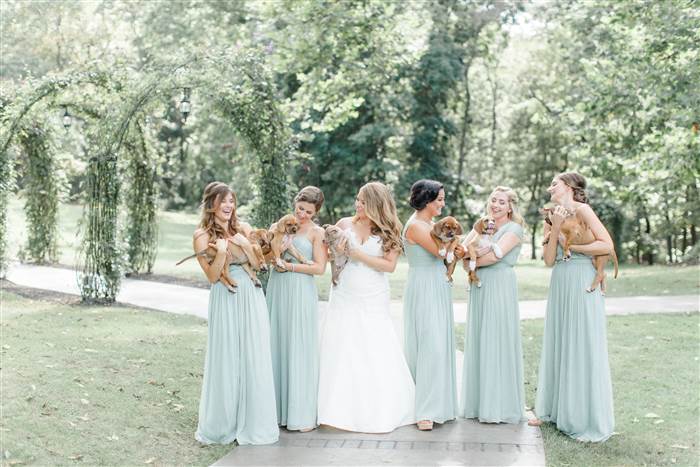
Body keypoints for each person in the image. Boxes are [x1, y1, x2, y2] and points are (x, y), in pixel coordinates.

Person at [317, 181, 415, 433]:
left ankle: (377, 408)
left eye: (362, 201)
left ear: (374, 204)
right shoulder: (343, 224)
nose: (357, 204)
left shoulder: (390, 228)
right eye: (357, 199)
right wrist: (336, 256)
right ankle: (337, 409)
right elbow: (331, 260)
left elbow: (389, 266)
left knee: (373, 346)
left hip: (373, 294)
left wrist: (357, 254)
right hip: (344, 292)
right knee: (342, 346)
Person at [530, 172, 615, 442]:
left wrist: (577, 248)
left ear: (568, 186)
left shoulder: (584, 210)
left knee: (581, 343)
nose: (549, 187)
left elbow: (607, 244)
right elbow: (548, 259)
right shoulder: (550, 215)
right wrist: (554, 226)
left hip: (581, 279)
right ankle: (553, 410)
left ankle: (580, 416)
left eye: (553, 183)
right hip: (561, 281)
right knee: (560, 341)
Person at [193, 181, 278, 445]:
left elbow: (258, 264)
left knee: (253, 353)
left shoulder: (244, 228)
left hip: (251, 296)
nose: (229, 206)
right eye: (223, 201)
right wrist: (220, 252)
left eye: (232, 201)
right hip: (226, 297)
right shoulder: (201, 236)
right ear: (211, 204)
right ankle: (223, 423)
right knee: (227, 355)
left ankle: (253, 421)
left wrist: (244, 243)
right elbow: (212, 276)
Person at [459, 186, 526, 424]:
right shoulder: (482, 225)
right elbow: (462, 253)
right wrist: (469, 257)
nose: (495, 205)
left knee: (497, 338)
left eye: (501, 202)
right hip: (479, 287)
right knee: (480, 339)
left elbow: (494, 257)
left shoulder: (514, 229)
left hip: (500, 286)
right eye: (493, 200)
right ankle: (479, 403)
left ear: (510, 207)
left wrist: (472, 261)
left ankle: (500, 405)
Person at [267, 186, 327, 432]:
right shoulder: (280, 225)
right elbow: (267, 255)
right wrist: (275, 255)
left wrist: (290, 267)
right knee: (276, 342)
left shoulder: (317, 232)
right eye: (300, 209)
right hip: (278, 288)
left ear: (316, 212)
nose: (302, 215)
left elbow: (319, 268)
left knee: (299, 345)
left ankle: (299, 412)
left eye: (308, 212)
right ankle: (274, 410)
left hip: (301, 290)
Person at [402, 180, 458, 431]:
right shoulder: (415, 226)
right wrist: (456, 246)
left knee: (438, 344)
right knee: (428, 345)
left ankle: (439, 404)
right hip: (423, 286)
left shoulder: (430, 225)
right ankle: (423, 409)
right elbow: (441, 252)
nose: (443, 204)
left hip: (437, 284)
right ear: (426, 200)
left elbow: (449, 252)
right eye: (439, 200)